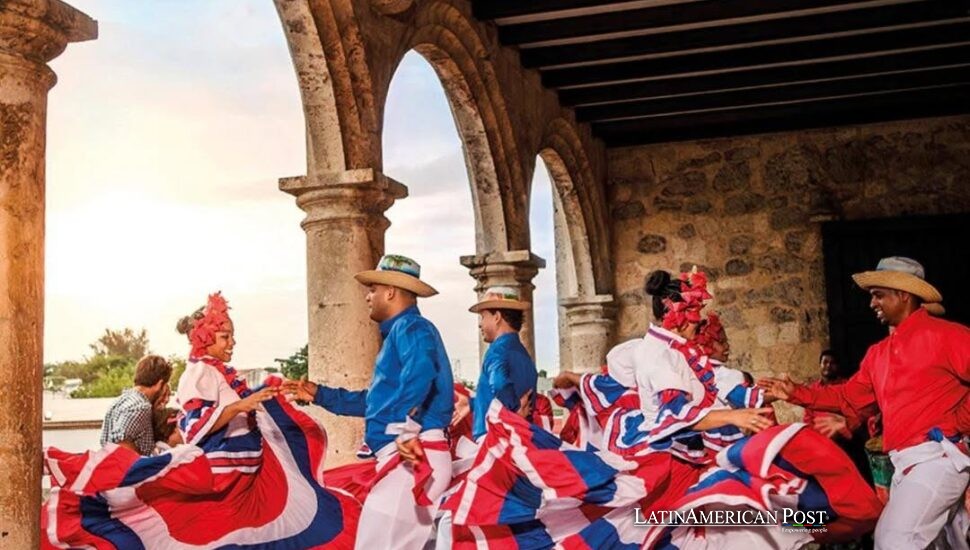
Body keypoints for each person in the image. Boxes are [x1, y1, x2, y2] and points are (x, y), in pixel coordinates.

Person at [42, 292, 359, 548]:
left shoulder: (217, 371)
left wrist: (270, 392)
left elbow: (241, 406)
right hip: (223, 476)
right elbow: (194, 428)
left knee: (252, 532)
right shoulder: (197, 373)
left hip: (244, 477)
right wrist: (241, 406)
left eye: (232, 336)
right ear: (205, 339)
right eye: (225, 336)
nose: (231, 342)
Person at [761, 256, 970, 549]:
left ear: (903, 295)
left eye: (878, 295)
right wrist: (795, 392)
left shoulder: (948, 336)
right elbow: (846, 397)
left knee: (893, 541)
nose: (872, 304)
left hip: (938, 460)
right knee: (941, 544)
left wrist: (959, 422)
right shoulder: (878, 354)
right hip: (904, 463)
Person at [288, 254, 455, 550]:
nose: (368, 296)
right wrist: (319, 394)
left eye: (373, 289)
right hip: (409, 457)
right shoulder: (401, 334)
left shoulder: (411, 328)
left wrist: (405, 429)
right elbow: (376, 402)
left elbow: (421, 374)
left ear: (390, 292)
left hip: (415, 457)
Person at [99, 355, 172, 455]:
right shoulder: (141, 407)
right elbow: (121, 442)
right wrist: (144, 466)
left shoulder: (120, 400)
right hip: (127, 469)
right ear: (160, 384)